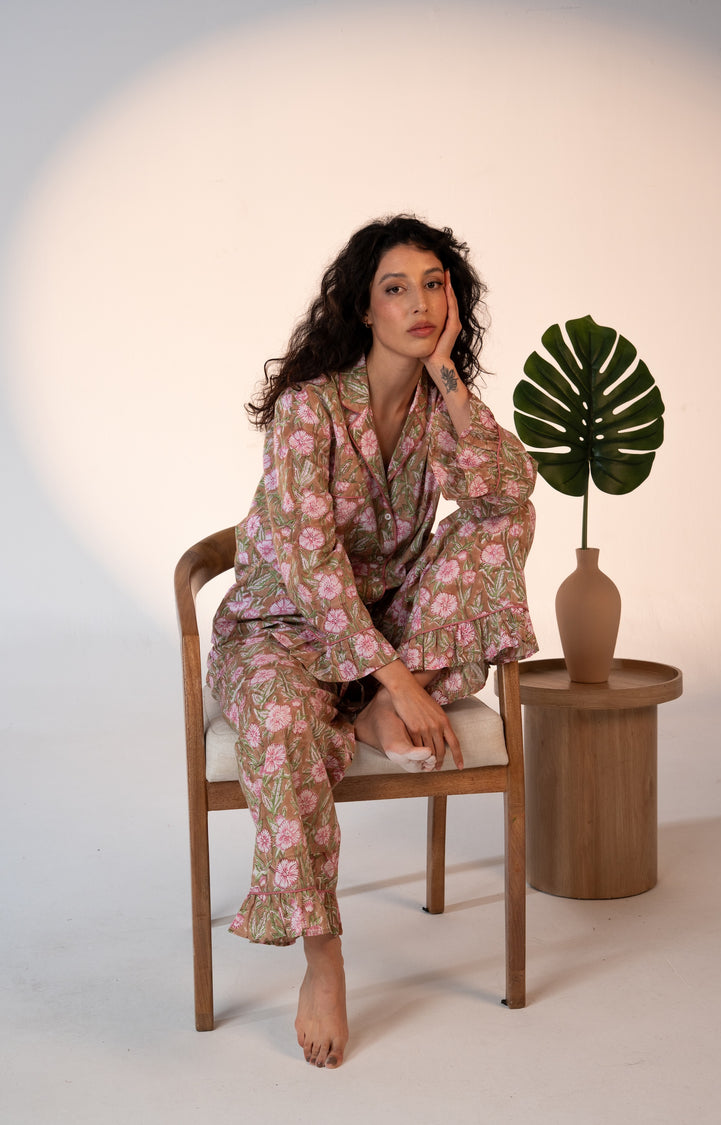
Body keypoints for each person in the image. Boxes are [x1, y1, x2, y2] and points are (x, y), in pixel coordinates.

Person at [207, 214, 538, 1069]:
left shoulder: (439, 407)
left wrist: (452, 378)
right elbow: (311, 567)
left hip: (385, 626)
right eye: (397, 287)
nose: (420, 301)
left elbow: (508, 490)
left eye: (435, 284)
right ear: (363, 307)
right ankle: (324, 956)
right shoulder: (308, 409)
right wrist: (404, 682)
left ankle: (357, 708)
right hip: (283, 631)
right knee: (282, 719)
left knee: (507, 523)